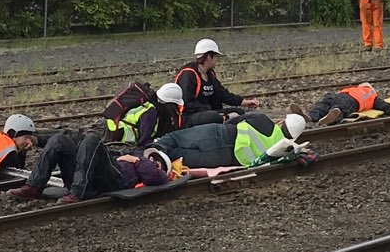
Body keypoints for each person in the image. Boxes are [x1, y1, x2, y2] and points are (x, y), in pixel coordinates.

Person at [6, 132, 170, 203]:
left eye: (156, 161)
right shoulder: (135, 154)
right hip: (91, 174)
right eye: (151, 157)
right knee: (59, 140)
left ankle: (77, 193)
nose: (152, 160)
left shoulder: (149, 167)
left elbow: (157, 178)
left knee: (92, 140)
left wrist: (137, 160)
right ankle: (33, 187)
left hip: (112, 179)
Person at [147, 112, 306, 170]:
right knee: (177, 156)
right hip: (223, 159)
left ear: (281, 122)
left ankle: (150, 153)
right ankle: (157, 165)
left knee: (174, 138)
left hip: (219, 134)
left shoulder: (263, 119)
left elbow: (232, 122)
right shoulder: (281, 151)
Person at [174, 38, 260, 126]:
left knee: (239, 112)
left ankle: (224, 123)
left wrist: (243, 102)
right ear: (209, 57)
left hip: (209, 112)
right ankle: (224, 120)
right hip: (190, 116)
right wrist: (213, 112)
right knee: (213, 117)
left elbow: (221, 93)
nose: (217, 60)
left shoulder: (209, 73)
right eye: (216, 57)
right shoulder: (188, 74)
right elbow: (187, 103)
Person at [290, 82, 390, 127]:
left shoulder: (354, 88)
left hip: (336, 95)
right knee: (341, 108)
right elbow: (388, 108)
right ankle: (332, 117)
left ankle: (312, 116)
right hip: (352, 101)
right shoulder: (373, 97)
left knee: (323, 104)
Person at [104, 82, 185, 148]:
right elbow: (144, 142)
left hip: (115, 130)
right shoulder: (150, 112)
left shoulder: (151, 103)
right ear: (168, 103)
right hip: (122, 139)